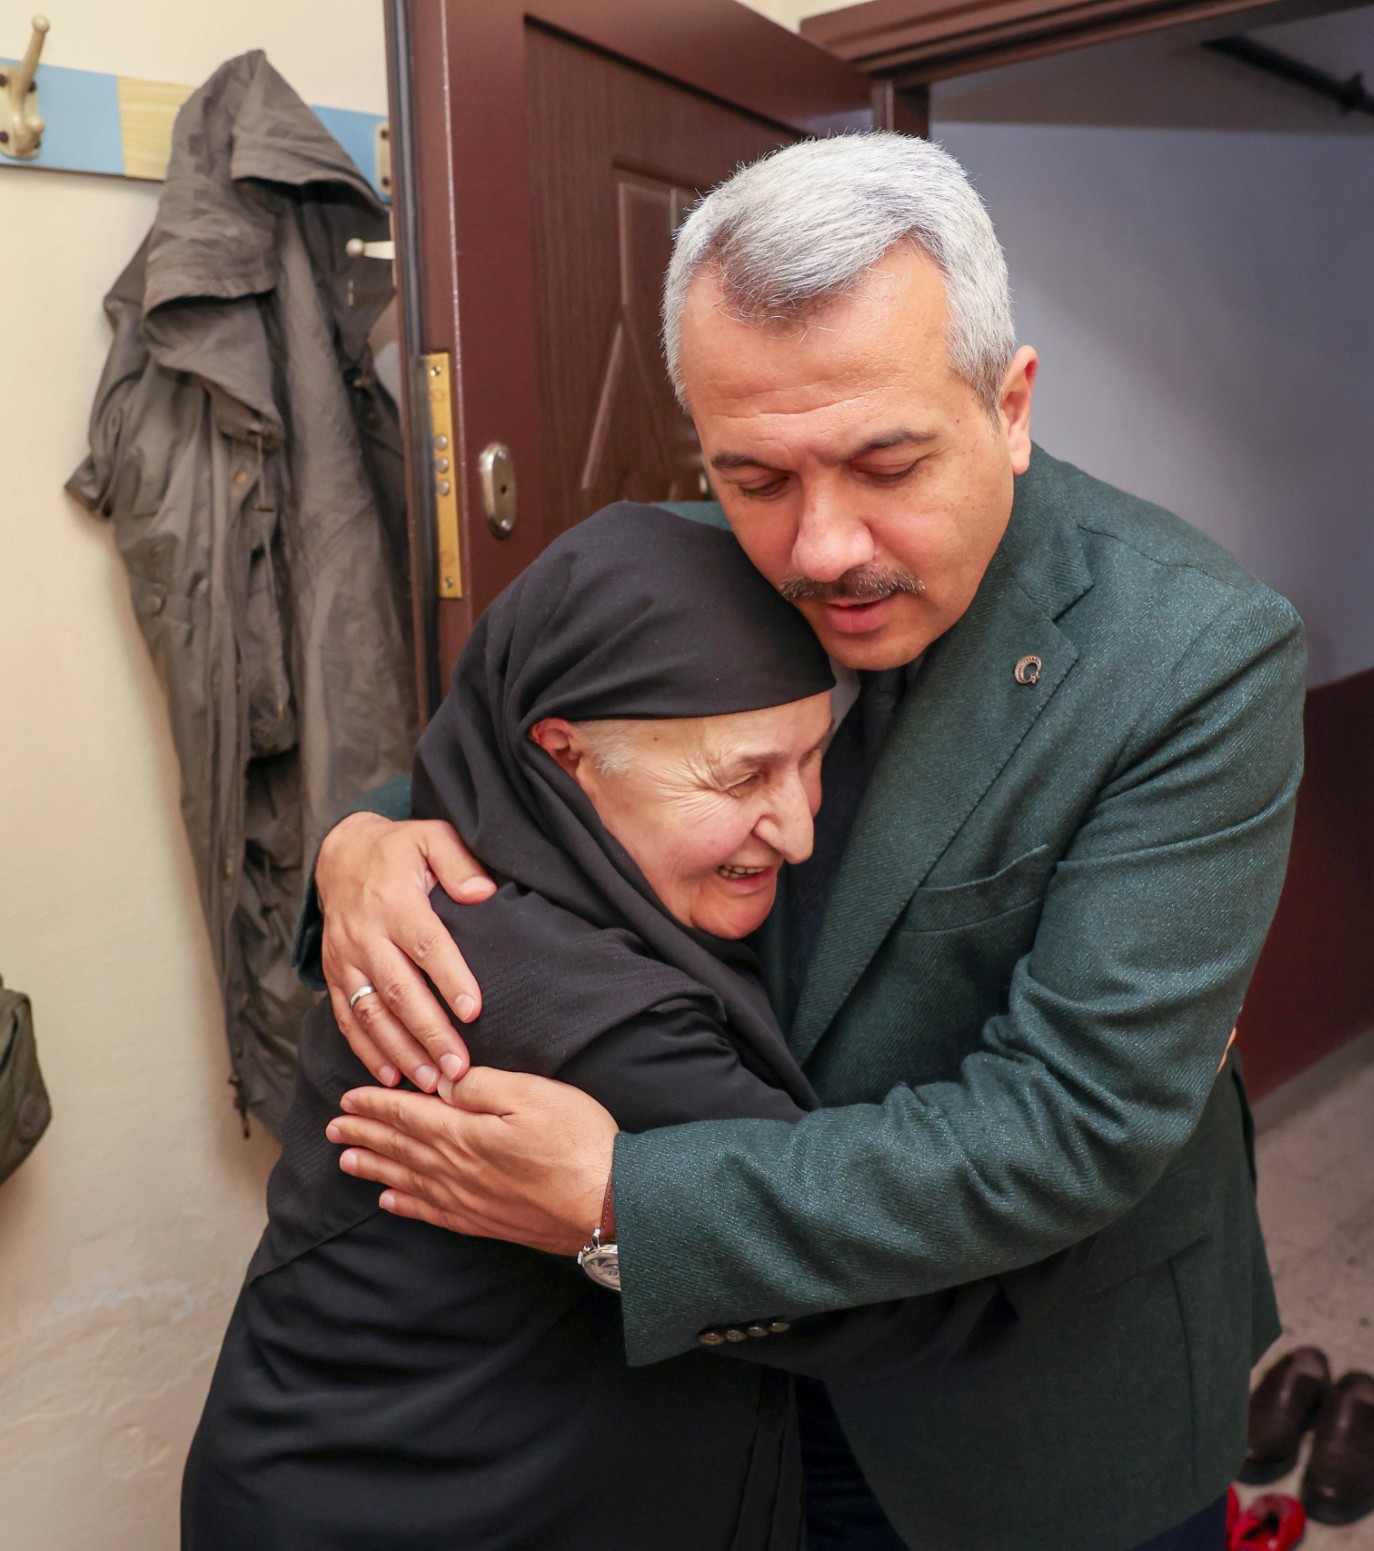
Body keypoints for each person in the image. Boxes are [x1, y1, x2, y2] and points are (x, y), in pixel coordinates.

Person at [316, 133, 1307, 1551]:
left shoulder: (1198, 655)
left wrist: (621, 1200)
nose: (822, 547)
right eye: (756, 476)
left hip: (1041, 1397)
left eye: (886, 463)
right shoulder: (678, 560)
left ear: (1010, 405)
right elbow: (495, 769)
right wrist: (359, 838)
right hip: (714, 1383)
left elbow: (1071, 1125)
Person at [183, 504, 1058, 1549]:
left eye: (812, 756)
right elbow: (897, 1293)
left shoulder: (507, 856)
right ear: (564, 755)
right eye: (743, 776)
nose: (798, 827)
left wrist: (359, 834)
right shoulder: (564, 1016)